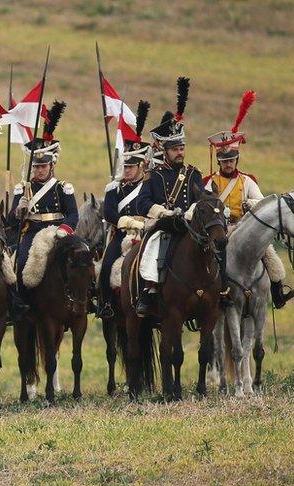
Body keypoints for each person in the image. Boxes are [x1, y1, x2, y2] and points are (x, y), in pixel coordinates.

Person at [205, 90, 294, 308]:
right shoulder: (209, 182)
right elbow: (204, 205)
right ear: (219, 161)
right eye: (225, 161)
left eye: (232, 160)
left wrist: (249, 205)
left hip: (243, 227)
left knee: (268, 254)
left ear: (237, 159)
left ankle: (277, 292)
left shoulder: (247, 181)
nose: (228, 164)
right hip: (220, 230)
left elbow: (261, 203)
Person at [136, 76, 217, 316]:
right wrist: (163, 212)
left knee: (217, 247)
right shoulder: (154, 175)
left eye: (181, 148)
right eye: (175, 149)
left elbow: (201, 197)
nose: (179, 153)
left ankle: (221, 290)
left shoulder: (193, 173)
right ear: (165, 151)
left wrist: (191, 213)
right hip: (166, 224)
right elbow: (142, 203)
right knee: (153, 245)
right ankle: (149, 289)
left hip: (190, 224)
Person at [7, 102, 78, 318]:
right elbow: (11, 220)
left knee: (80, 260)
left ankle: (81, 300)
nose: (39, 170)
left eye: (43, 166)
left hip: (58, 232)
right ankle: (21, 302)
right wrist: (19, 210)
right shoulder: (23, 188)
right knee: (20, 262)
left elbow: (73, 214)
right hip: (32, 232)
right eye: (36, 166)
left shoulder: (62, 187)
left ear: (51, 165)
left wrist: (64, 229)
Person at [97, 101, 152, 319]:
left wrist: (143, 224)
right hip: (120, 235)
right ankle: (105, 303)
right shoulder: (114, 188)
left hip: (145, 234)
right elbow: (109, 213)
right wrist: (128, 223)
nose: (126, 170)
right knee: (106, 266)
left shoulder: (149, 186)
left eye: (130, 167)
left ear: (141, 166)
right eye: (125, 166)